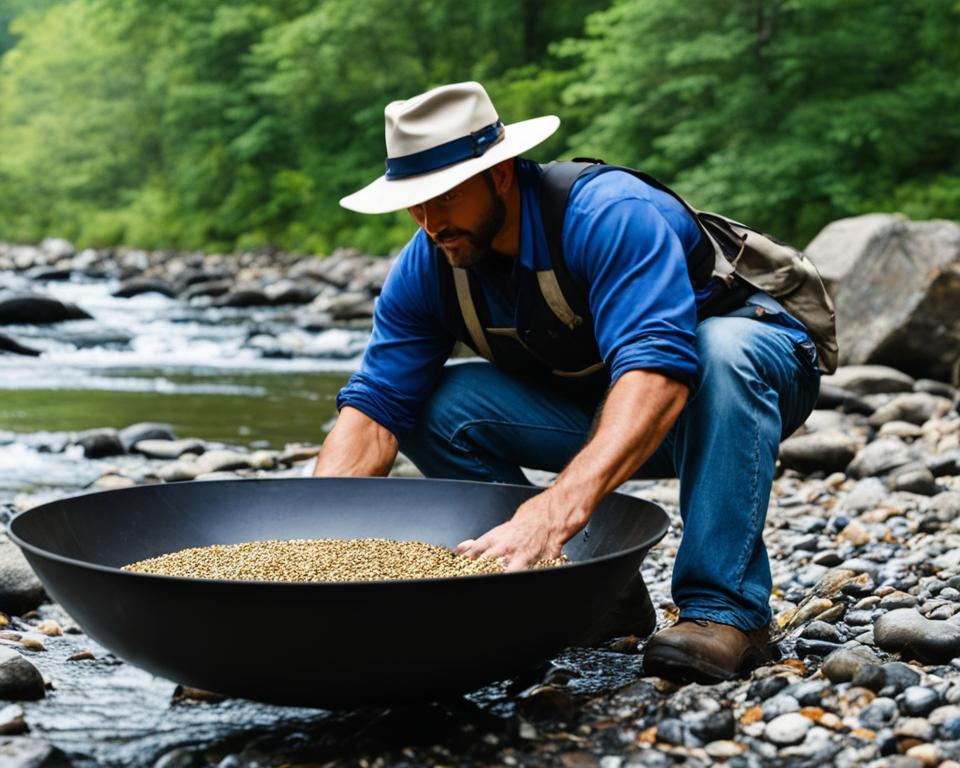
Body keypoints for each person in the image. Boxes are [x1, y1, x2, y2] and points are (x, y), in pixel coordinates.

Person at [314, 81, 824, 684]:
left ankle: (724, 613)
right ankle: (596, 599)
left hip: (740, 379)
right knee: (432, 405)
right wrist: (307, 558)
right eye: (415, 203)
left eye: (445, 197)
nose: (429, 223)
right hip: (608, 404)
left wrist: (553, 513)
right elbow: (374, 411)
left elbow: (658, 371)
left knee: (720, 349)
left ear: (500, 173)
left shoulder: (607, 214)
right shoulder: (428, 266)